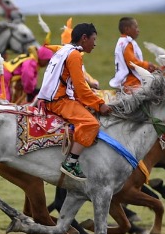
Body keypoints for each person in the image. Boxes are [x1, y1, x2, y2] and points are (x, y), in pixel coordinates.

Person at [37, 23, 111, 181]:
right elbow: (81, 90)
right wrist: (100, 104)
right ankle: (70, 163)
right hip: (59, 100)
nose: (95, 43)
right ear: (84, 38)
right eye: (93, 39)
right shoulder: (75, 55)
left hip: (52, 97)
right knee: (91, 124)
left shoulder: (64, 50)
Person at [109, 17, 158, 91]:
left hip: (125, 80)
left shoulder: (122, 42)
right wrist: (147, 65)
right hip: (131, 82)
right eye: (136, 27)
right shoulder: (127, 43)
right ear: (127, 29)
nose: (138, 30)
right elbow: (132, 63)